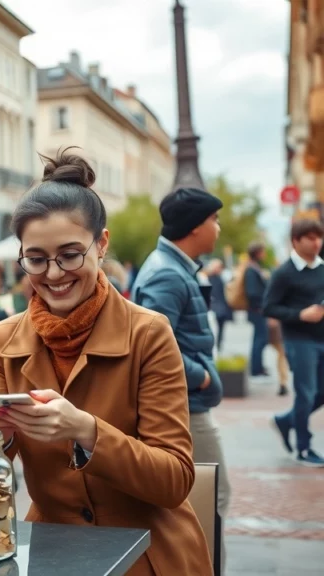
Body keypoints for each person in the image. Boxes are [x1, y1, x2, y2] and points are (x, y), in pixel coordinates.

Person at [0, 150, 212, 576]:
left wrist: (87, 431)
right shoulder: (3, 339)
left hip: (149, 553)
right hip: (52, 553)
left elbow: (174, 479)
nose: (53, 274)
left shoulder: (148, 333)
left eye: (70, 254)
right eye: (36, 259)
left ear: (101, 244)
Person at [130, 186, 230, 558]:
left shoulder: (172, 267)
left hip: (188, 402)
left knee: (205, 498)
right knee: (211, 497)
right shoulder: (168, 275)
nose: (218, 227)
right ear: (195, 226)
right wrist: (200, 376)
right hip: (185, 407)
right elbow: (154, 347)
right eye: (214, 219)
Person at [266, 218, 324, 466]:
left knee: (319, 393)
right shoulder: (284, 273)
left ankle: (286, 420)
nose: (316, 243)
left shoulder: (322, 268)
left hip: (321, 338)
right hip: (299, 341)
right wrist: (300, 314)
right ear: (296, 241)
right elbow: (269, 307)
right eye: (310, 238)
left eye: (319, 237)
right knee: (306, 393)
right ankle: (304, 448)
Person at [244, 242, 270, 377]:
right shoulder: (251, 270)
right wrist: (261, 305)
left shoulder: (254, 268)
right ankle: (256, 368)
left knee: (259, 338)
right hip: (257, 310)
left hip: (257, 309)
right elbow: (252, 292)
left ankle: (258, 366)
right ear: (258, 253)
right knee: (260, 339)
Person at [205, 258, 233, 353]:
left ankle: (218, 347)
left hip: (220, 308)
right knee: (215, 330)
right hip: (214, 309)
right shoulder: (209, 279)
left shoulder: (221, 278)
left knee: (220, 330)